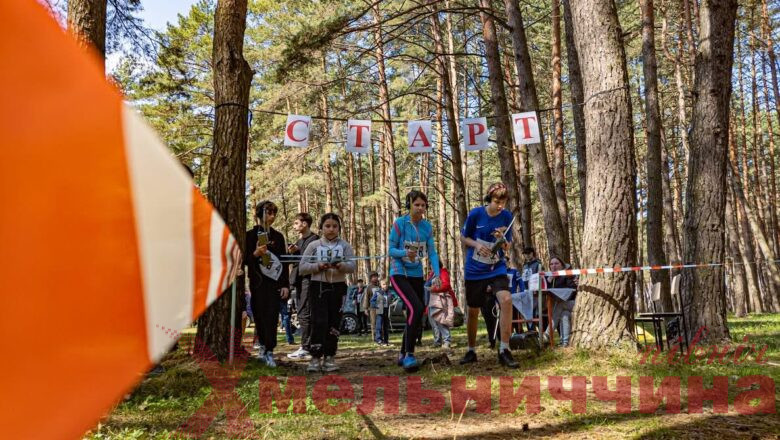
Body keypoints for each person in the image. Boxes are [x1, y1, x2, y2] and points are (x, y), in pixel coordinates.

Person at [459, 183, 519, 369]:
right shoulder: (476, 214)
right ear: (489, 199)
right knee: (473, 310)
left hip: (496, 267)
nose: (500, 206)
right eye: (496, 202)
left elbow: (507, 245)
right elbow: (463, 237)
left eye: (503, 202)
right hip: (475, 270)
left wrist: (502, 239)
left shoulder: (507, 216)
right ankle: (471, 350)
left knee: (506, 299)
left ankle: (504, 349)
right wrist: (477, 245)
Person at [389, 190, 441, 372]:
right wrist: (404, 253)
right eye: (416, 204)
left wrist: (437, 274)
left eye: (423, 205)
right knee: (416, 308)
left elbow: (432, 252)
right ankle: (409, 355)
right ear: (409, 205)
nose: (420, 208)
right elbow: (390, 250)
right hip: (399, 273)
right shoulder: (400, 224)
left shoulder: (427, 227)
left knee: (417, 312)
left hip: (416, 274)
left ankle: (402, 352)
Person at [299, 213, 356, 372]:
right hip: (318, 287)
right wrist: (318, 266)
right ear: (321, 228)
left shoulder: (345, 246)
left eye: (335, 226)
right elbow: (302, 268)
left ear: (339, 228)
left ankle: (330, 356)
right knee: (319, 321)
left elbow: (352, 266)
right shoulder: (314, 245)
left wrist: (341, 266)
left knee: (334, 322)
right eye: (327, 226)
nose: (331, 229)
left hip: (338, 287)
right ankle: (315, 357)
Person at [246, 200, 290, 368]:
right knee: (259, 316)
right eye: (268, 212)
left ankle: (270, 350)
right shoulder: (250, 235)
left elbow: (284, 262)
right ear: (259, 214)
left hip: (274, 285)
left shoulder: (278, 237)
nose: (271, 216)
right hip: (257, 284)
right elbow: (244, 260)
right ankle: (262, 347)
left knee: (272, 317)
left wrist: (285, 285)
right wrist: (256, 254)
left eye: (274, 213)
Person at [287, 213, 319, 361]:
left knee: (305, 312)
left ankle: (306, 347)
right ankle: (308, 346)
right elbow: (296, 261)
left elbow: (311, 259)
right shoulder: (299, 241)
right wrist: (292, 252)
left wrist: (297, 252)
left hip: (309, 280)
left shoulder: (315, 240)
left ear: (304, 224)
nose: (294, 226)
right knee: (302, 313)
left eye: (296, 223)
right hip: (299, 280)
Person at [545, 256, 578, 347]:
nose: (554, 266)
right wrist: (549, 280)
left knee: (560, 304)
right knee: (564, 315)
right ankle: (565, 343)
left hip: (574, 303)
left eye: (556, 263)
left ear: (562, 265)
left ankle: (547, 334)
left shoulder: (568, 274)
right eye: (551, 264)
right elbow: (545, 290)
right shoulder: (550, 276)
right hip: (563, 307)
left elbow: (573, 290)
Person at [426, 260, 457, 349]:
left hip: (441, 300)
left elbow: (446, 285)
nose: (431, 266)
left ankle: (447, 341)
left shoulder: (443, 272)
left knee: (441, 320)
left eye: (433, 264)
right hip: (431, 301)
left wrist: (433, 289)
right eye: (431, 265)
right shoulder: (431, 274)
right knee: (433, 322)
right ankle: (437, 341)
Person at [521, 247, 544, 332]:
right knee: (527, 311)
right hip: (526, 290)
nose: (527, 255)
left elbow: (541, 277)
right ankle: (531, 332)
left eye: (528, 253)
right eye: (525, 254)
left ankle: (541, 332)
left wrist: (536, 288)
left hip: (535, 291)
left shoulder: (538, 264)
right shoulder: (525, 265)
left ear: (532, 253)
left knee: (536, 312)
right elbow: (524, 277)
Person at [363, 272, 381, 340]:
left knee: (380, 322)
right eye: (373, 277)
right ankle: (374, 337)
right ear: (370, 278)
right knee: (373, 322)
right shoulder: (369, 287)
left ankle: (380, 337)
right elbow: (366, 298)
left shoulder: (380, 286)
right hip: (372, 308)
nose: (375, 278)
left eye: (376, 276)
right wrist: (365, 309)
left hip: (380, 307)